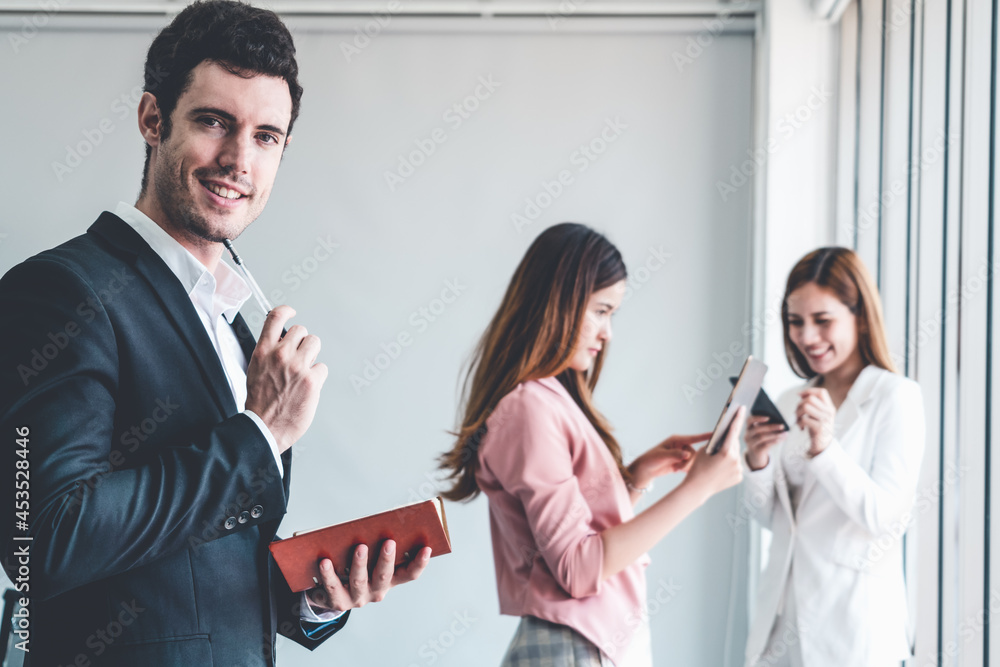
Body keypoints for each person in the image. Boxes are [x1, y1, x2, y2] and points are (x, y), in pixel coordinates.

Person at [0, 2, 428, 665]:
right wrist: (260, 435)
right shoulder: (60, 293)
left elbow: (199, 565)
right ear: (152, 119)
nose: (238, 160)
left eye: (265, 136)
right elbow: (40, 541)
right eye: (213, 121)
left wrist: (313, 596)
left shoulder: (235, 321)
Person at [439, 222, 747, 666]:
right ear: (557, 306)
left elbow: (581, 544)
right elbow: (580, 570)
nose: (608, 333)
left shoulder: (548, 400)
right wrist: (697, 489)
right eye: (601, 311)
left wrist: (634, 480)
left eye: (612, 314)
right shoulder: (529, 409)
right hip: (573, 648)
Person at [741, 247, 925, 666]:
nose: (807, 337)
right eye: (795, 322)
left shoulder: (896, 398)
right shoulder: (790, 399)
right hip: (782, 626)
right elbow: (772, 520)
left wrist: (825, 447)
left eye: (823, 321)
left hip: (853, 631)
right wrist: (758, 461)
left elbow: (885, 518)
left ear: (859, 318)